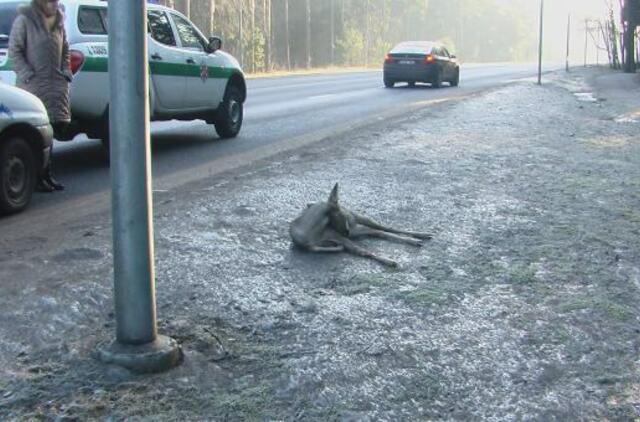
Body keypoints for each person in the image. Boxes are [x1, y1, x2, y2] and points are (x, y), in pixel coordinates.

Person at [9, 0, 71, 192]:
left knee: (50, 130)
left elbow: (66, 50)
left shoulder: (59, 22)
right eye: (50, 1)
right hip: (33, 86)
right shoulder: (24, 21)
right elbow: (15, 52)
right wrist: (28, 75)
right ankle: (37, 178)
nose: (54, 5)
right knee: (36, 132)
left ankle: (47, 175)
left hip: (55, 85)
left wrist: (65, 71)